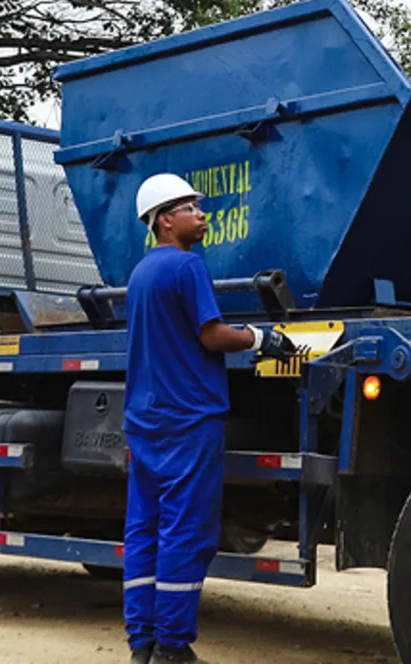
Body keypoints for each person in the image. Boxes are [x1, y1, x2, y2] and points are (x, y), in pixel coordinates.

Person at [121, 173, 298, 664]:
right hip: (188, 420)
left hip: (146, 419)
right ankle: (173, 647)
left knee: (144, 528)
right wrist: (262, 338)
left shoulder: (140, 275)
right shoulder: (186, 267)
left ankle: (142, 643)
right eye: (189, 207)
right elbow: (211, 335)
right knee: (185, 530)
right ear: (164, 220)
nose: (202, 213)